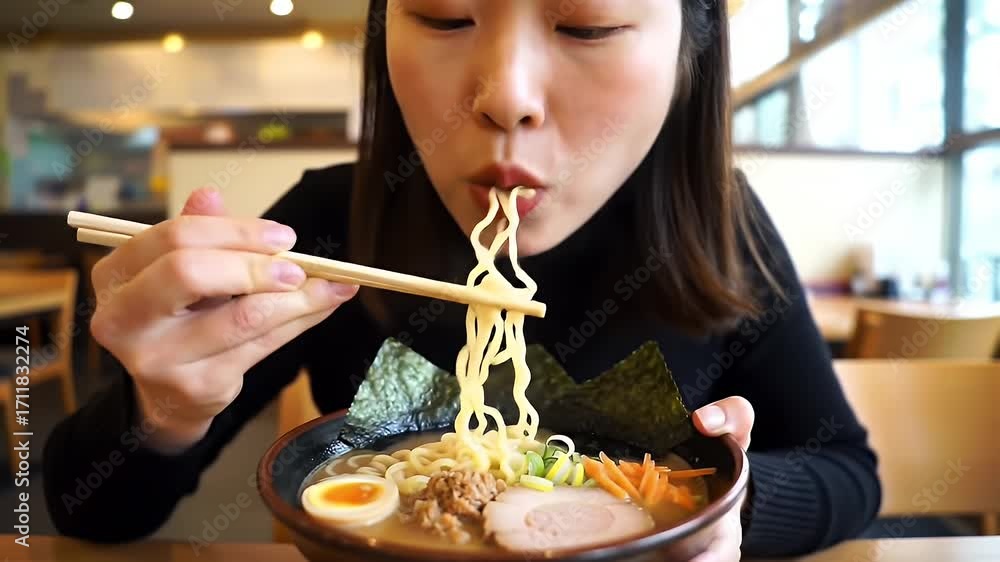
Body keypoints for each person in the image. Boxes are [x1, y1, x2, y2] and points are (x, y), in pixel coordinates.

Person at [42, 1, 881, 560]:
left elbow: (848, 473)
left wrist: (718, 507)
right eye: (444, 15)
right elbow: (86, 515)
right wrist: (164, 409)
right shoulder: (331, 221)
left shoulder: (720, 227)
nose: (505, 98)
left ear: (690, 51)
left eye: (588, 25)